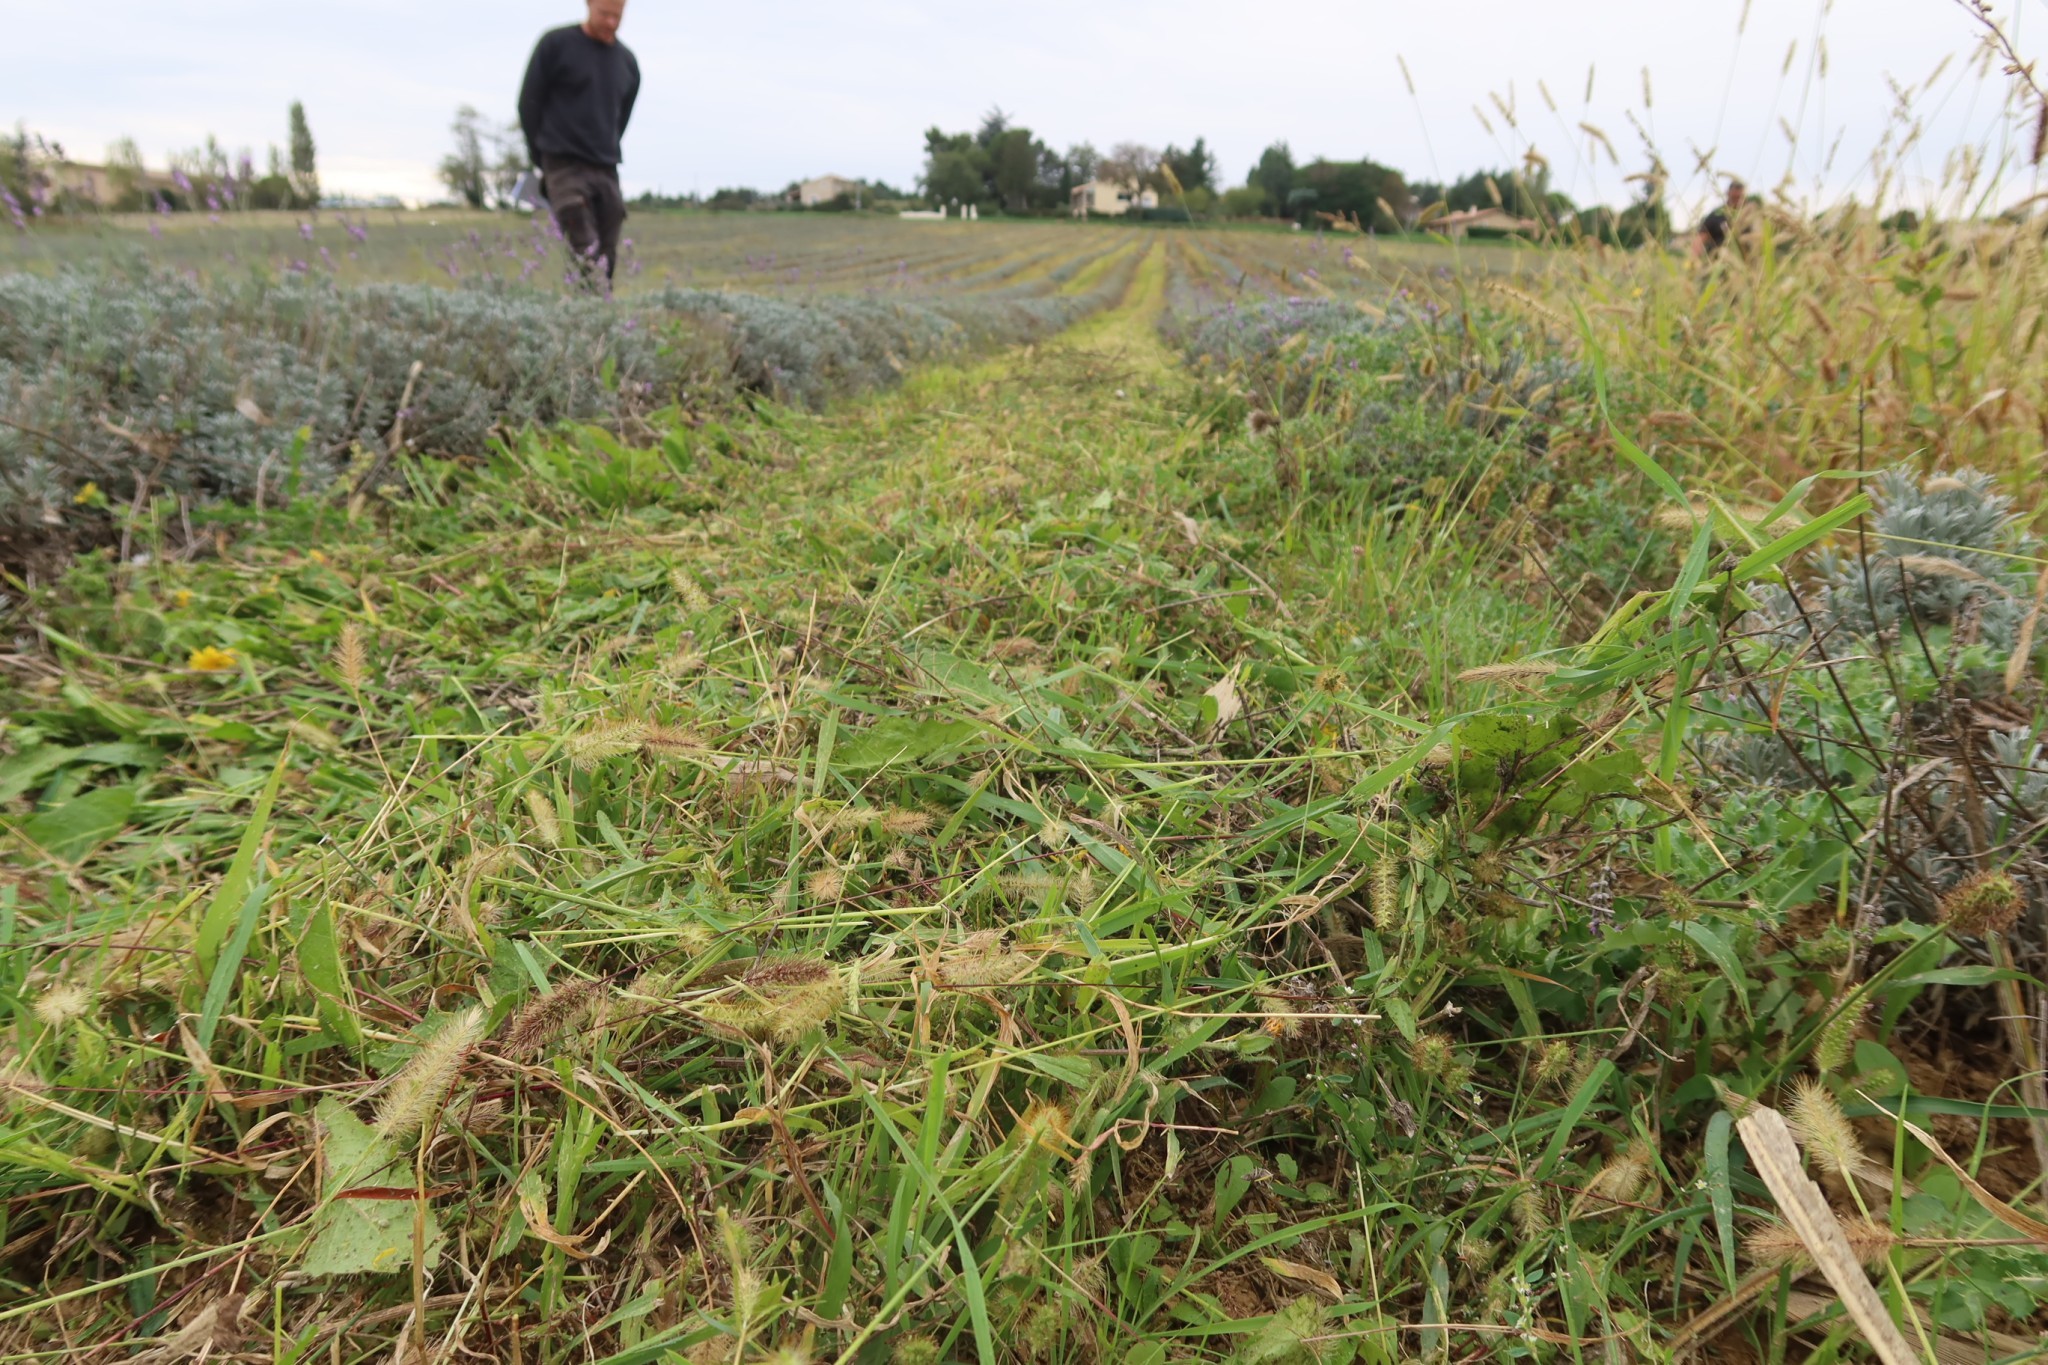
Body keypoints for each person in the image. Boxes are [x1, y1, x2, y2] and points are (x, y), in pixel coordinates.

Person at [519, 1, 639, 285]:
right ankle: (583, 318)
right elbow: (528, 104)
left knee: (606, 254)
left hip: (606, 166)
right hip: (562, 163)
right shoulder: (555, 44)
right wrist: (543, 158)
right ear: (589, 4)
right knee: (584, 246)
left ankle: (595, 316)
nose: (611, 22)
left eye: (617, 16)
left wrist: (604, 147)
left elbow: (620, 119)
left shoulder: (627, 63)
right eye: (604, 14)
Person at [1695, 179, 1747, 257]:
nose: (1737, 200)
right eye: (1734, 197)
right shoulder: (1716, 215)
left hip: (1746, 264)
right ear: (1728, 193)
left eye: (1740, 197)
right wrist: (1694, 261)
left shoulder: (1750, 215)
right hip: (1718, 262)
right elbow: (1699, 240)